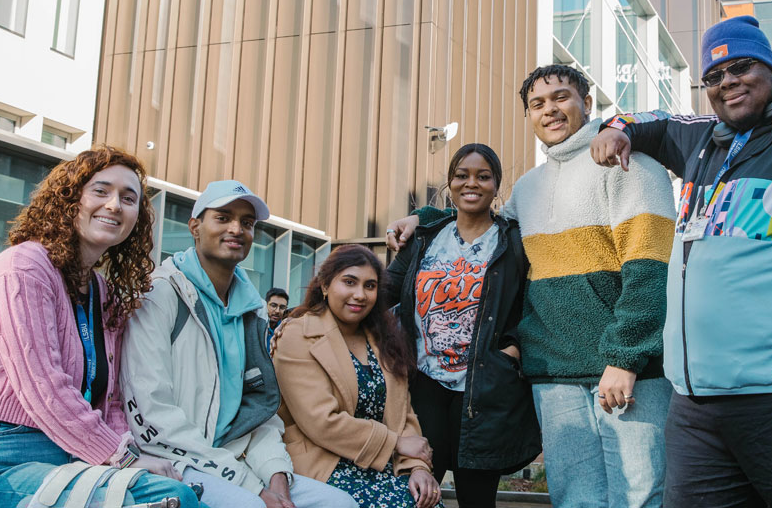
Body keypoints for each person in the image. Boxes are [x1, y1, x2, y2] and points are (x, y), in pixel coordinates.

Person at [588, 14, 772, 505]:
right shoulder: (702, 137)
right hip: (696, 408)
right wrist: (614, 129)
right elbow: (641, 121)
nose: (727, 82)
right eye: (714, 77)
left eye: (742, 67)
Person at [388, 64, 676, 507]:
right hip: (552, 373)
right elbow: (477, 221)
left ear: (587, 102)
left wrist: (626, 358)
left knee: (638, 496)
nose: (550, 110)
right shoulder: (528, 188)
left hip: (626, 371)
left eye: (561, 97)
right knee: (574, 498)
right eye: (537, 104)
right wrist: (422, 218)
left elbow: (649, 273)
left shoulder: (632, 165)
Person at [0, 146, 199, 508]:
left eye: (129, 198)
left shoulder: (102, 291)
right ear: (69, 199)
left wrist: (133, 456)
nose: (114, 205)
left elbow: (109, 403)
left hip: (67, 453)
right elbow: (43, 389)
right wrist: (123, 459)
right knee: (169, 500)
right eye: (101, 191)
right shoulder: (23, 269)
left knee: (188, 495)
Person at [120, 180, 357, 508]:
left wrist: (277, 477)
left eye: (247, 223)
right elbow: (152, 412)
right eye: (223, 217)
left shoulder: (252, 308)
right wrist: (253, 488)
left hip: (238, 460)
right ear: (195, 227)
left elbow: (258, 410)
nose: (236, 228)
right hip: (174, 461)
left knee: (339, 505)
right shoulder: (160, 294)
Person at [386, 144, 541, 507]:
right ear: (450, 183)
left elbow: (534, 304)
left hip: (484, 385)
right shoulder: (424, 238)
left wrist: (513, 350)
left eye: (483, 176)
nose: (472, 183)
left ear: (496, 185)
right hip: (424, 382)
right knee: (417, 490)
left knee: (476, 497)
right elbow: (384, 291)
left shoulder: (514, 241)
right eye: (462, 175)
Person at [272, 245, 443, 508]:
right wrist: (397, 444)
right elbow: (321, 421)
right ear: (326, 286)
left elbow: (403, 414)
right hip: (325, 464)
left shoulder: (382, 338)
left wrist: (417, 468)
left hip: (384, 465)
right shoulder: (298, 335)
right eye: (349, 282)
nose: (360, 295)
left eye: (370, 285)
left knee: (426, 501)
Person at [266, 287, 291, 352]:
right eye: (273, 305)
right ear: (266, 305)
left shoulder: (286, 329)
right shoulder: (256, 328)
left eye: (282, 307)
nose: (277, 311)